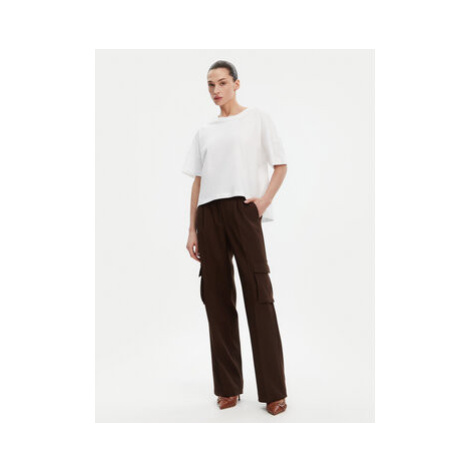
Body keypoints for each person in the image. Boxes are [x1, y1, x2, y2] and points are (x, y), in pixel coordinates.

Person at [182, 60, 288, 416]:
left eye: (223, 83)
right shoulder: (204, 131)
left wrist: (263, 202)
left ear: (236, 84)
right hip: (209, 215)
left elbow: (280, 164)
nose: (216, 90)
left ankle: (273, 392)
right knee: (216, 298)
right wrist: (193, 228)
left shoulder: (257, 119)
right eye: (211, 85)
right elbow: (198, 181)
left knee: (259, 295)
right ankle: (228, 387)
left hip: (244, 210)